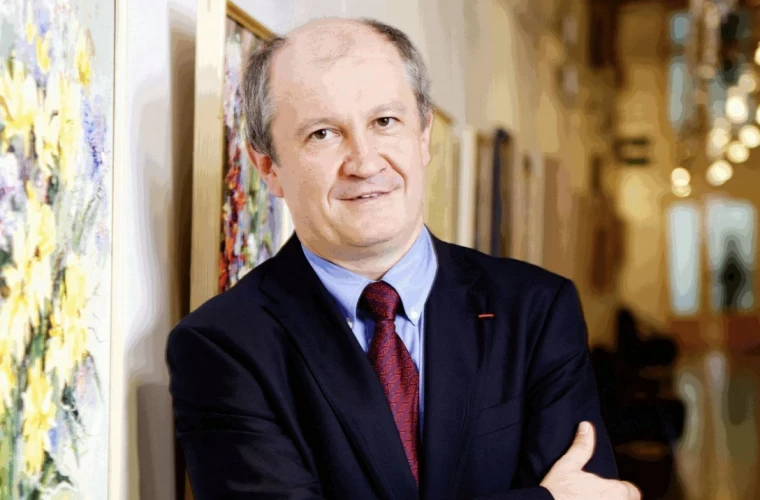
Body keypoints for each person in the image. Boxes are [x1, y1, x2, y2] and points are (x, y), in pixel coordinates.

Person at [166, 16, 641, 500]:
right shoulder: (223, 347)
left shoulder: (536, 310)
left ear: (424, 135)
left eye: (384, 122)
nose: (365, 162)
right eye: (323, 134)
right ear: (268, 168)